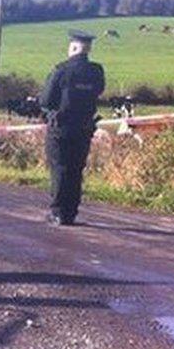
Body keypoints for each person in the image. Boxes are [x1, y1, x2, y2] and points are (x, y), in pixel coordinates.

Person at [39, 29, 105, 226]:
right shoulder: (96, 71)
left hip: (61, 128)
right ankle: (71, 212)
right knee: (76, 170)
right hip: (84, 128)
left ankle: (58, 212)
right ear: (88, 49)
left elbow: (46, 100)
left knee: (60, 168)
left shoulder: (61, 70)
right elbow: (99, 91)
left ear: (73, 47)